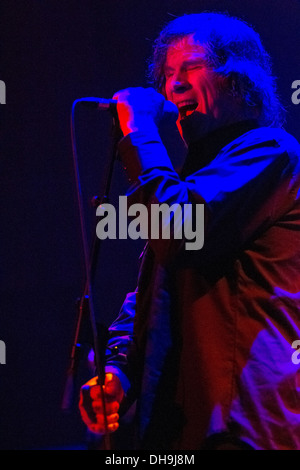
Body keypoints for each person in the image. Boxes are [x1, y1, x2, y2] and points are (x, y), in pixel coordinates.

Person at [79, 12, 300, 450]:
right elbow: (157, 287)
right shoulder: (192, 179)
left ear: (239, 81)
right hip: (180, 427)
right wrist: (120, 370)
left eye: (192, 67)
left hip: (243, 427)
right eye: (166, 74)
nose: (173, 84)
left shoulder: (271, 153)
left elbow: (181, 235)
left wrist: (139, 131)